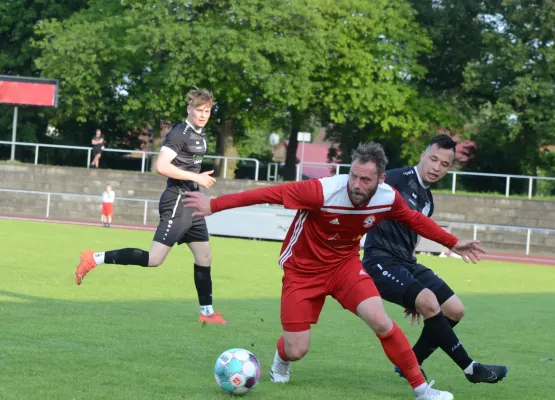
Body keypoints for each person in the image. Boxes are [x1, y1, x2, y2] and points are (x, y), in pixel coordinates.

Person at [183, 142, 486, 400]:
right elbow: (270, 194)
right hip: (302, 272)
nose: (357, 184)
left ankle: (421, 390)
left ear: (381, 179)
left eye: (366, 180)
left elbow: (416, 221)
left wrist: (453, 242)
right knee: (297, 348)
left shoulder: (388, 197)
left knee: (381, 320)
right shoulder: (322, 191)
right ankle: (281, 356)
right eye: (354, 176)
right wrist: (216, 204)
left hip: (345, 268)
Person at [362, 135, 508, 384]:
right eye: (433, 159)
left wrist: (409, 287)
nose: (436, 167)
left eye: (444, 164)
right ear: (423, 155)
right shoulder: (395, 179)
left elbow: (412, 238)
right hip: (380, 261)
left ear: (449, 168)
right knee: (430, 302)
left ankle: (410, 361)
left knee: (455, 309)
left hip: (406, 263)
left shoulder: (428, 200)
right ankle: (470, 368)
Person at [75, 88, 228, 325]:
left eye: (207, 111)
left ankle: (207, 312)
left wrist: (196, 179)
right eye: (199, 110)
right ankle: (94, 258)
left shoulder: (201, 133)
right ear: (189, 109)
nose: (203, 114)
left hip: (192, 200)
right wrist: (196, 178)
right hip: (177, 200)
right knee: (154, 259)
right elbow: (162, 166)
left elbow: (186, 165)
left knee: (204, 256)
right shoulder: (179, 133)